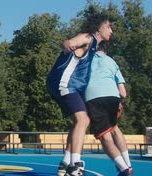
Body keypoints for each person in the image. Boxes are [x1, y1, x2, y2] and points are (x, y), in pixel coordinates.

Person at [46, 13, 113, 176]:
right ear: (99, 27)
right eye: (108, 26)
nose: (111, 30)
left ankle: (65, 163)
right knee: (82, 119)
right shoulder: (88, 38)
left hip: (72, 86)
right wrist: (68, 43)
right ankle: (75, 165)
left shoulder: (94, 46)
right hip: (65, 83)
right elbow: (71, 42)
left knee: (80, 123)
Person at [84, 45, 133, 176]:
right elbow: (123, 93)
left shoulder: (86, 59)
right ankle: (128, 164)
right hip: (113, 97)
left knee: (104, 136)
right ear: (105, 51)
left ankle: (124, 169)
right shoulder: (112, 62)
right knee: (114, 128)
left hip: (93, 97)